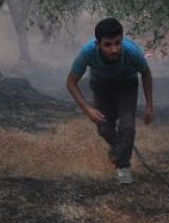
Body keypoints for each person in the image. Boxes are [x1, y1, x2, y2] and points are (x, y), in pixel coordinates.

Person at [66, 17, 154, 184]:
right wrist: (87, 109)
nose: (114, 49)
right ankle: (120, 148)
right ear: (98, 44)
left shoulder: (131, 52)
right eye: (107, 44)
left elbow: (146, 73)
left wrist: (149, 105)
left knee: (127, 127)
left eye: (117, 43)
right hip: (101, 86)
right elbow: (71, 82)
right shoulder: (87, 53)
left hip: (127, 84)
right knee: (104, 128)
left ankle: (123, 167)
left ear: (122, 39)